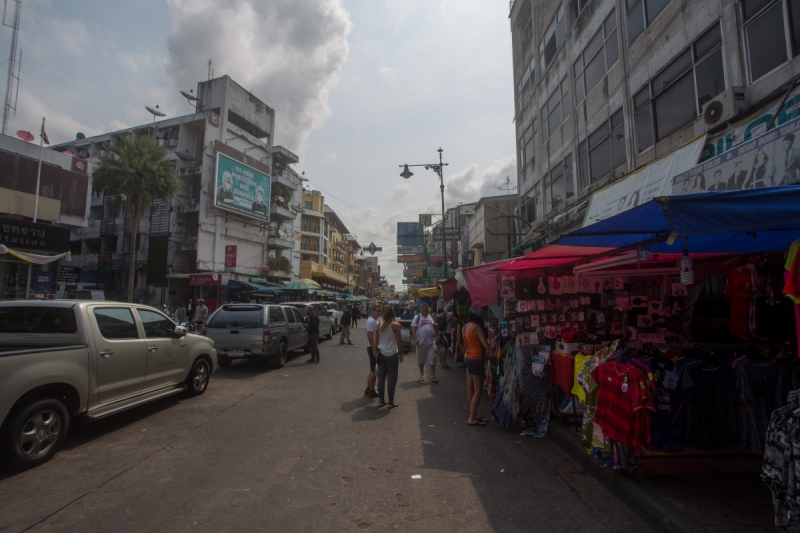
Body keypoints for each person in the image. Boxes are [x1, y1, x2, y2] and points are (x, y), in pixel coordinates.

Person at [463, 311, 491, 426]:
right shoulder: (477, 327)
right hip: (476, 358)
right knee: (478, 389)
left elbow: (465, 344)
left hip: (467, 357)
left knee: (470, 387)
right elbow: (485, 344)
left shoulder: (464, 327)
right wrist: (493, 353)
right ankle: (471, 418)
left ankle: (474, 414)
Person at [375, 305, 403, 408]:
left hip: (381, 353)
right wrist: (401, 354)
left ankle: (381, 400)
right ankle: (391, 401)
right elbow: (399, 342)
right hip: (392, 354)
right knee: (391, 379)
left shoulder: (379, 325)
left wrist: (375, 351)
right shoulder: (396, 325)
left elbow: (376, 341)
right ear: (393, 313)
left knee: (381, 378)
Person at [411, 303, 438, 383]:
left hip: (431, 343)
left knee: (432, 359)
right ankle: (422, 375)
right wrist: (415, 338)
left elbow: (435, 327)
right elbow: (413, 328)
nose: (424, 310)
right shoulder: (417, 317)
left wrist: (438, 337)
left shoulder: (432, 317)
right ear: (420, 309)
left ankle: (433, 376)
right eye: (423, 308)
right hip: (421, 343)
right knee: (421, 360)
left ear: (428, 309)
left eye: (426, 308)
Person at [364, 304, 381, 398]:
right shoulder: (371, 321)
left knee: (372, 369)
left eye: (380, 311)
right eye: (378, 311)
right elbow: (370, 336)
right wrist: (374, 349)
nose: (380, 313)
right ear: (372, 311)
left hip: (372, 347)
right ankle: (371, 390)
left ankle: (368, 388)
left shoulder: (374, 320)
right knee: (373, 370)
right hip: (372, 347)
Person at [438, 305, 453, 369]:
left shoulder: (443, 314)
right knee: (445, 347)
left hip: (442, 332)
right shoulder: (450, 314)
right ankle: (444, 363)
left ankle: (441, 362)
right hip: (447, 333)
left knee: (442, 347)